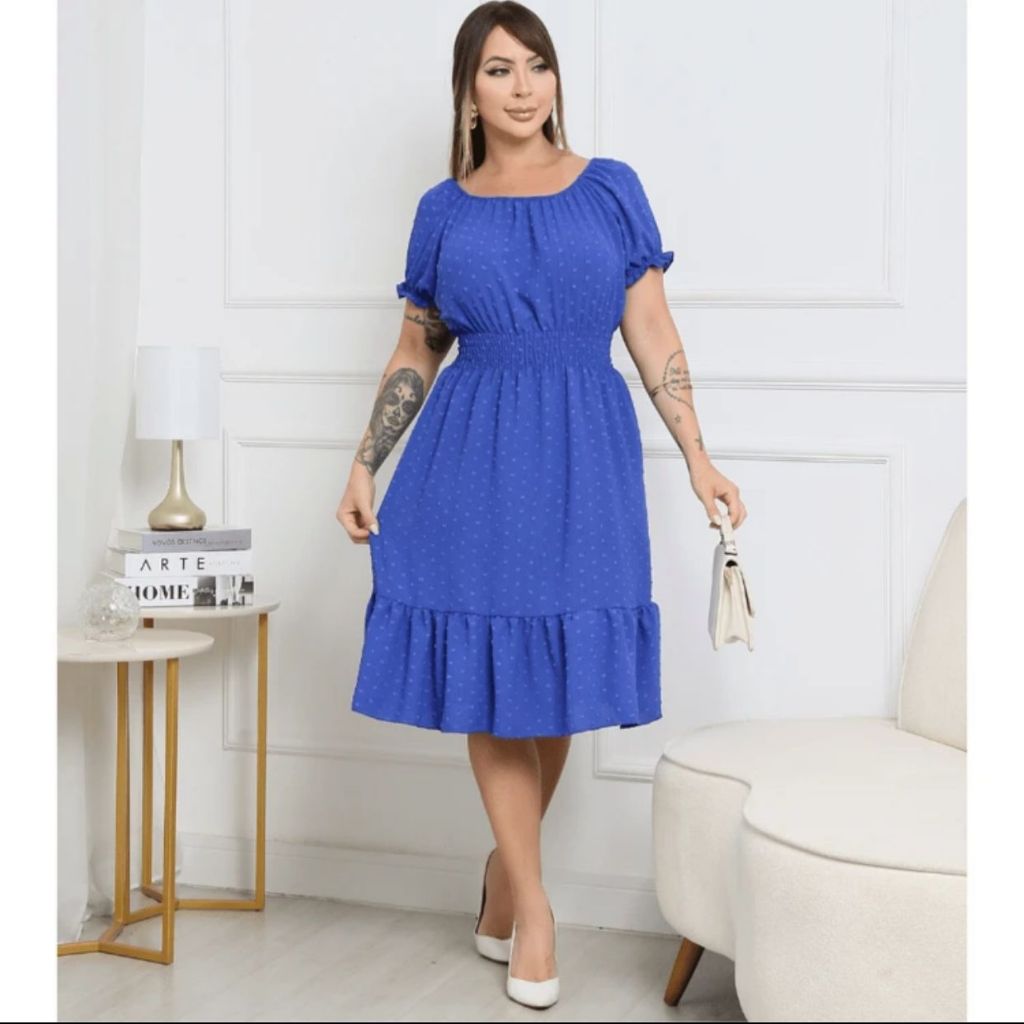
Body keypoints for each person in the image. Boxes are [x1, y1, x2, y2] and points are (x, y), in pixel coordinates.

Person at [336, 1, 746, 1009]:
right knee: (491, 674)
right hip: (469, 455)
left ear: (556, 79)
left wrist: (700, 457)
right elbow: (416, 346)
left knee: (555, 668)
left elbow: (652, 331)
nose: (522, 87)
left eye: (536, 65)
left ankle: (500, 875)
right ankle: (537, 909)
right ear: (467, 94)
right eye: (497, 69)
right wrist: (364, 463)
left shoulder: (610, 190)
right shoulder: (443, 209)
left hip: (582, 451)